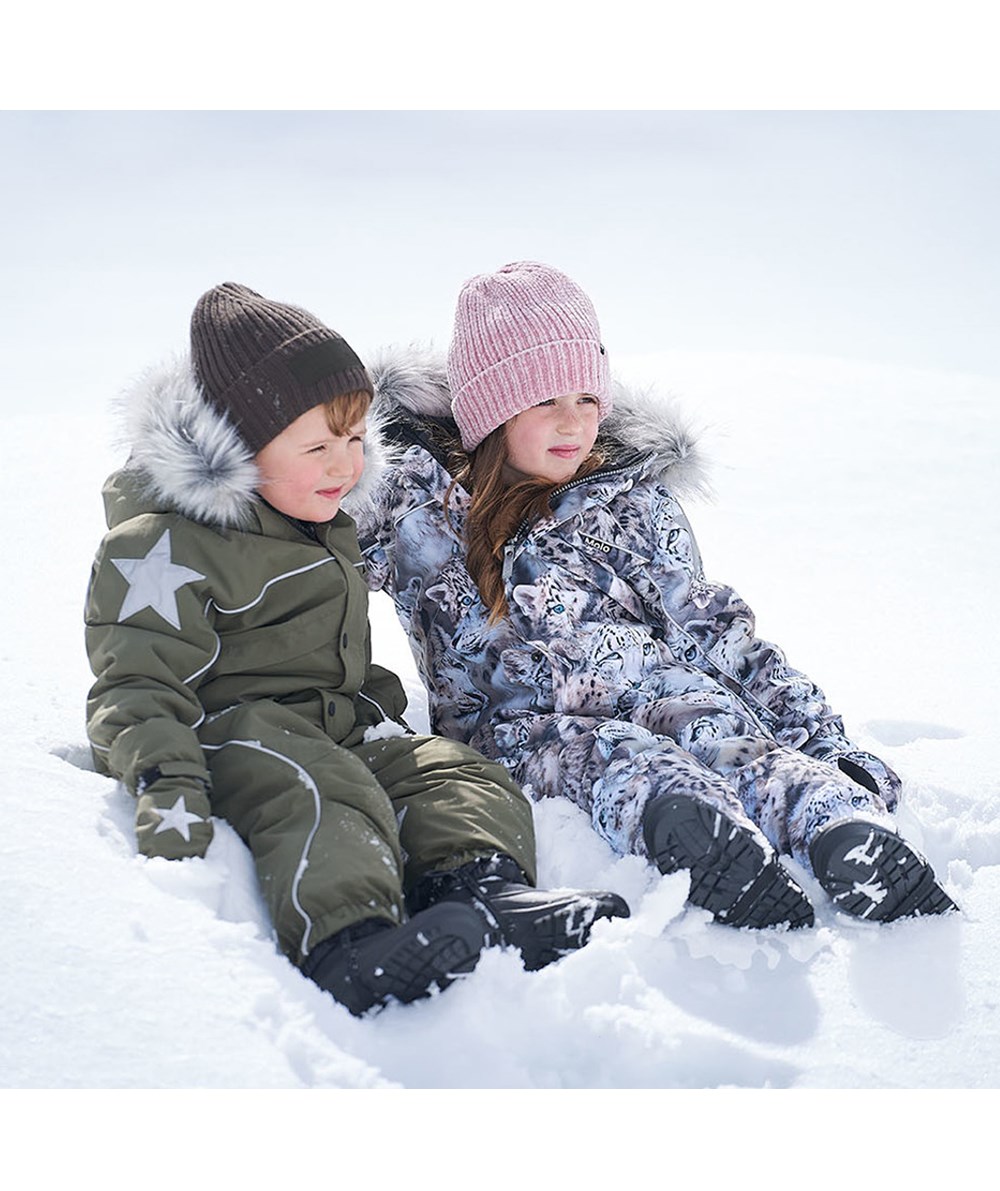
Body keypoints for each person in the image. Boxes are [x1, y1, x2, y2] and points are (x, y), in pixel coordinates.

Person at [353, 260, 957, 928]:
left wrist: (820, 743)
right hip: (521, 729)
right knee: (613, 760)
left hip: (659, 688)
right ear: (491, 411)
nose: (573, 423)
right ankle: (697, 836)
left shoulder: (630, 500)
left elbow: (715, 633)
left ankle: (841, 829)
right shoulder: (415, 504)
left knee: (723, 735)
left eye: (587, 400)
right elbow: (311, 553)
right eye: (546, 402)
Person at [84, 281, 629, 1017]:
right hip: (235, 734)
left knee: (452, 772)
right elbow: (135, 682)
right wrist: (166, 785)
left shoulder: (319, 521)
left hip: (332, 725)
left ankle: (483, 891)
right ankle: (349, 941)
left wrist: (376, 709)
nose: (344, 466)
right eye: (318, 447)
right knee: (324, 790)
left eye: (353, 440)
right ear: (235, 449)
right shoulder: (161, 547)